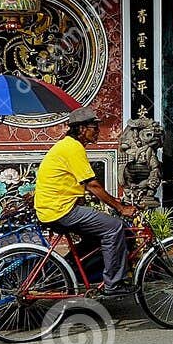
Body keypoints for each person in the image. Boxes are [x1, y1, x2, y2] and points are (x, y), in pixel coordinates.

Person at [34, 107, 137, 297]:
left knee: (95, 238)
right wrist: (120, 208)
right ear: (81, 129)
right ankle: (113, 284)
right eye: (94, 128)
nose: (97, 132)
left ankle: (67, 271)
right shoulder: (72, 148)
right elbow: (92, 185)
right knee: (114, 227)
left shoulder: (68, 146)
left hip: (55, 208)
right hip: (60, 210)